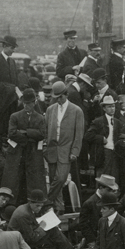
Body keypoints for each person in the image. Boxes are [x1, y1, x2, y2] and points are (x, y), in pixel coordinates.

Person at [44, 81, 86, 211]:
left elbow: (79, 134)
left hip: (66, 151)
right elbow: (46, 130)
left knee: (61, 179)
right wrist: (45, 147)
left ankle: (46, 202)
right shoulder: (50, 109)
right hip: (51, 151)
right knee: (53, 180)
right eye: (56, 98)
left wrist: (75, 151)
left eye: (61, 97)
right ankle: (59, 208)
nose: (59, 100)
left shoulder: (76, 111)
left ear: (66, 94)